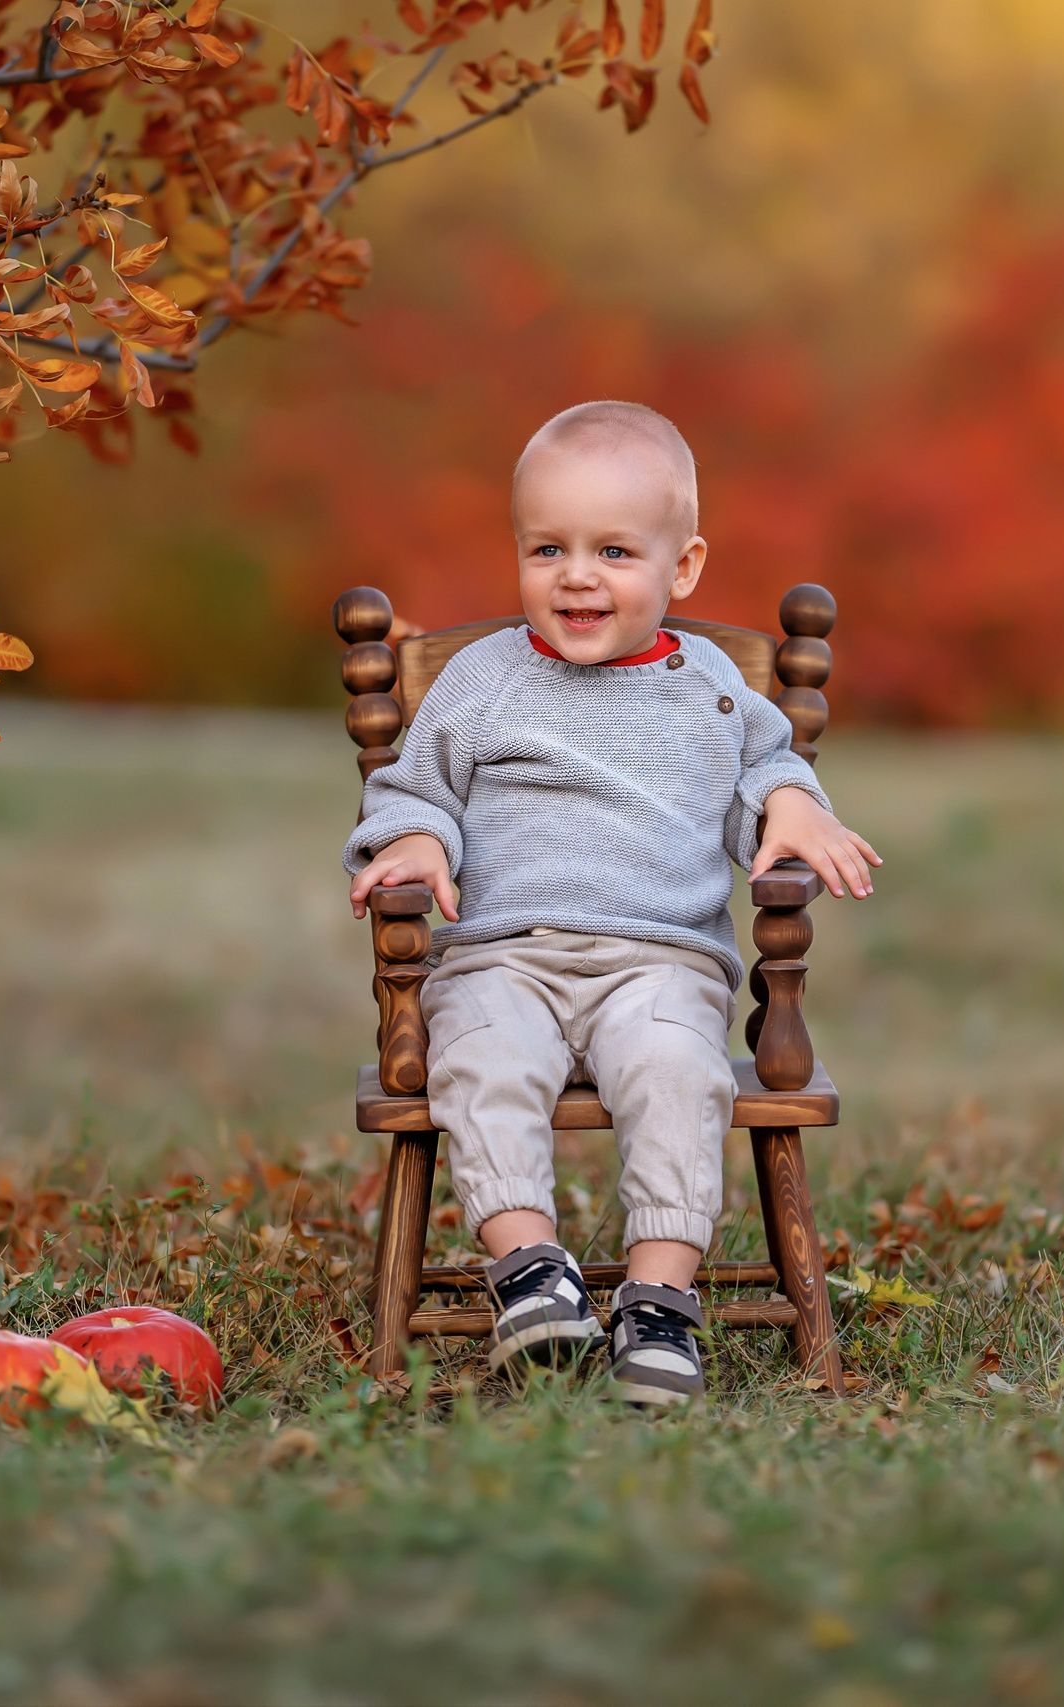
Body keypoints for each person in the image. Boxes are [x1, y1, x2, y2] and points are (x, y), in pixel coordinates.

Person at [343, 400, 882, 1407]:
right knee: (481, 1061)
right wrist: (416, 838)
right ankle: (530, 1271)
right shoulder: (481, 680)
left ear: (683, 568)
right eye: (547, 548)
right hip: (502, 958)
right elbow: (415, 790)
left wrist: (792, 804)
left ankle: (659, 1299)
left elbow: (763, 772)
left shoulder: (709, 686)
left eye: (614, 551)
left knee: (678, 1072)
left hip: (660, 962)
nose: (577, 576)